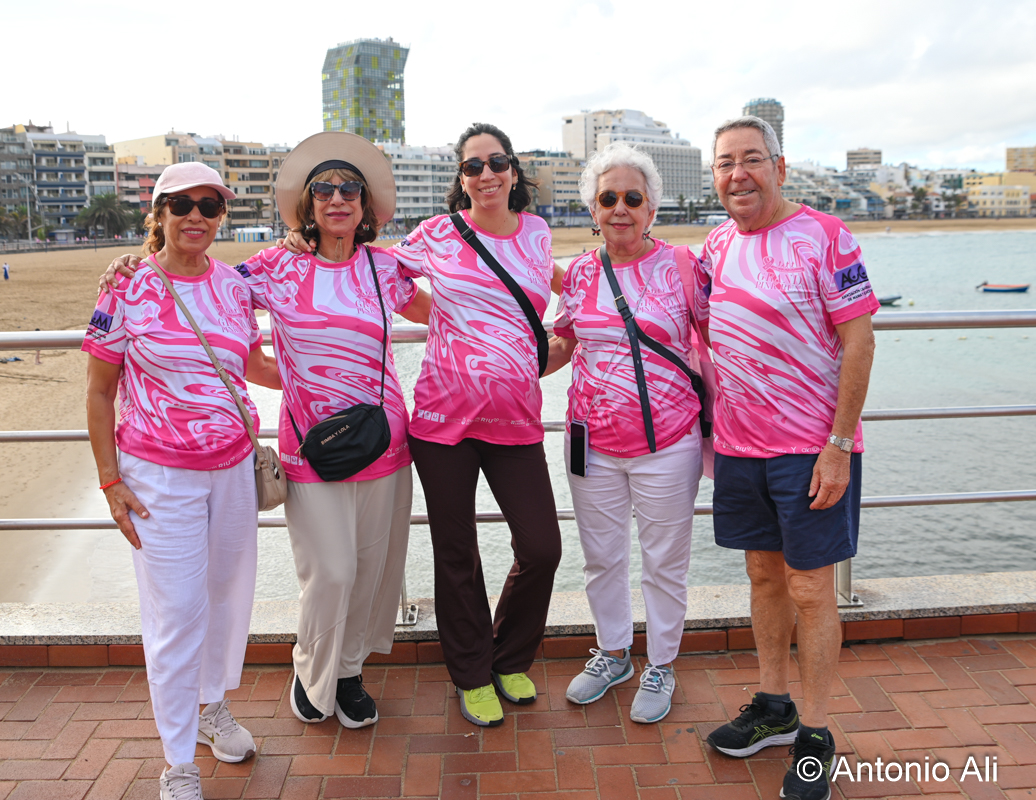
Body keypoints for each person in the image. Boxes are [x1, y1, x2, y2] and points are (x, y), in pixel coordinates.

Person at [102, 132, 431, 732]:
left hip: (386, 441)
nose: (337, 199)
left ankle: (349, 671)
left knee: (371, 569)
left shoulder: (386, 268)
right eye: (324, 190)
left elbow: (444, 313)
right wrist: (132, 265)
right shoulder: (274, 268)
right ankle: (312, 670)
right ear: (309, 204)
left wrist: (517, 331)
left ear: (365, 205)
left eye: (349, 189)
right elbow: (200, 285)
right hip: (312, 446)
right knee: (331, 570)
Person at [284, 123, 564, 727]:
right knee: (456, 553)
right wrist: (445, 316)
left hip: (516, 421)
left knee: (543, 547)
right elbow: (377, 272)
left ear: (514, 171)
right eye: (473, 166)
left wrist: (582, 317)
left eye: (497, 162)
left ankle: (509, 656)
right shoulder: (437, 233)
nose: (486, 174)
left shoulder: (538, 233)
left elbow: (565, 287)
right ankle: (471, 674)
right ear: (460, 178)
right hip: (441, 423)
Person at [84, 163, 281, 800]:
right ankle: (178, 763)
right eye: (182, 204)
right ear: (159, 213)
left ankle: (209, 707)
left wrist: (334, 376)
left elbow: (251, 362)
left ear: (221, 216)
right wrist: (110, 482)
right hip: (158, 478)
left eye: (210, 205)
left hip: (232, 469)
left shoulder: (233, 287)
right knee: (175, 613)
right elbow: (99, 390)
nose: (196, 216)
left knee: (227, 596)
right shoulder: (127, 287)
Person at [695, 117, 877, 800]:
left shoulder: (827, 236)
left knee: (810, 588)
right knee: (764, 576)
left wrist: (839, 445)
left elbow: (859, 342)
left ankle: (817, 733)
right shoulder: (716, 245)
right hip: (739, 446)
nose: (738, 174)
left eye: (752, 159)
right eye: (725, 163)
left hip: (810, 448)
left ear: (780, 166)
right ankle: (774, 706)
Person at [544, 142, 704, 724]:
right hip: (591, 443)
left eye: (632, 198)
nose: (619, 208)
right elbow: (564, 342)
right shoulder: (581, 273)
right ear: (593, 209)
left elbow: (721, 336)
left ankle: (661, 663)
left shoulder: (684, 267)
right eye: (607, 198)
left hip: (669, 443)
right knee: (601, 558)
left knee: (664, 563)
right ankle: (613, 653)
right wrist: (508, 366)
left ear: (651, 208)